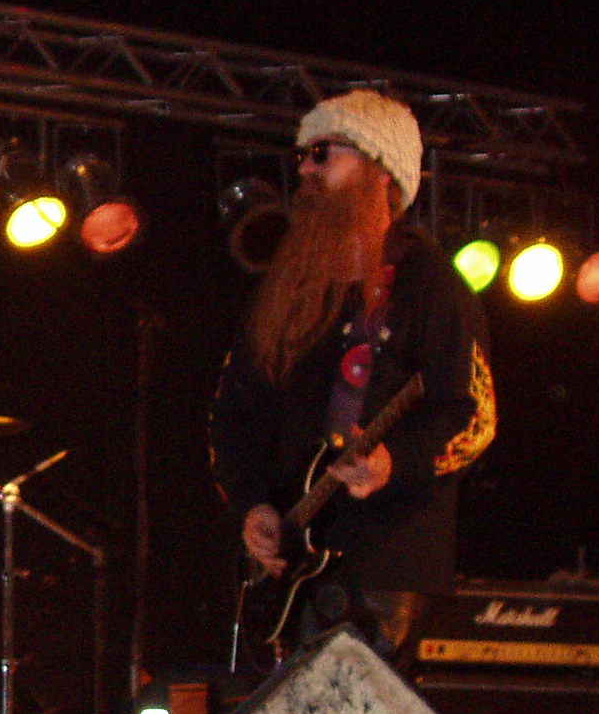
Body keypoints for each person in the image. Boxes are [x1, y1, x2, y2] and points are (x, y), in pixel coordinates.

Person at [209, 89, 495, 660]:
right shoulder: (289, 289)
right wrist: (253, 505)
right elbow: (235, 412)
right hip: (295, 569)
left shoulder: (430, 285)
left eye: (323, 153)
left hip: (385, 566)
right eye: (302, 156)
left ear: (380, 171)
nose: (304, 169)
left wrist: (395, 462)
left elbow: (473, 419)